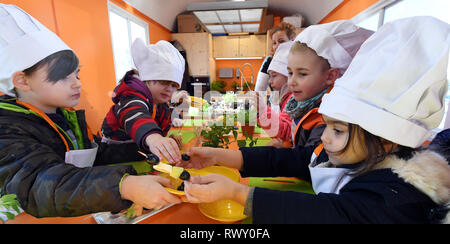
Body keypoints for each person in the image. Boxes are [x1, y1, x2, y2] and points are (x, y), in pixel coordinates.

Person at [180, 16, 450, 224]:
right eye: (329, 125)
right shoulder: (366, 154)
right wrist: (219, 156)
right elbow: (297, 158)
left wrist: (237, 194)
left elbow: (326, 213)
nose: (324, 136)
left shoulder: (394, 199)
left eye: (338, 129)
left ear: (384, 137)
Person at [0, 4, 181, 219]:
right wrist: (123, 186)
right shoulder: (7, 129)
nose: (77, 84)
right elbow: (42, 184)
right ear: (22, 81)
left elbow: (92, 158)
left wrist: (144, 157)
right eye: (63, 76)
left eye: (76, 74)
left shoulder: (62, 117)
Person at [285, 20, 373, 149]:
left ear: (330, 76)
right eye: (290, 72)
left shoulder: (327, 117)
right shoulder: (305, 105)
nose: (292, 81)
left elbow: (306, 158)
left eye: (302, 74)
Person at [101, 38, 185, 164]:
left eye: (174, 85)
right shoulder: (131, 96)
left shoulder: (161, 103)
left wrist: (166, 139)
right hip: (115, 154)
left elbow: (161, 123)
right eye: (164, 82)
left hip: (138, 152)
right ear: (148, 79)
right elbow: (135, 115)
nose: (169, 89)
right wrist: (154, 137)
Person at [257, 41, 294, 146]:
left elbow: (284, 131)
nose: (269, 81)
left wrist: (262, 110)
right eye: (270, 76)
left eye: (274, 76)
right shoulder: (284, 97)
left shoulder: (292, 99)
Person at [254, 22, 297, 92]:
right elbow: (259, 89)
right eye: (274, 43)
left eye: (281, 41)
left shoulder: (300, 60)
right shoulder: (269, 62)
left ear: (292, 41)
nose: (277, 46)